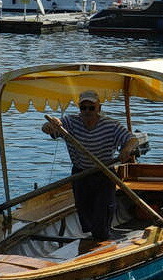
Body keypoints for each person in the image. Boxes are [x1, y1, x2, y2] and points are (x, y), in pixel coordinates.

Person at [42, 90, 139, 242]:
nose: (87, 112)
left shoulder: (111, 125)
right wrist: (49, 126)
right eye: (83, 108)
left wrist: (126, 149)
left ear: (98, 108)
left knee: (102, 215)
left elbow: (132, 140)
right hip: (80, 175)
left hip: (104, 174)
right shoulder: (70, 122)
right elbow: (50, 128)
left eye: (91, 108)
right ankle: (97, 237)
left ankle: (102, 238)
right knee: (85, 217)